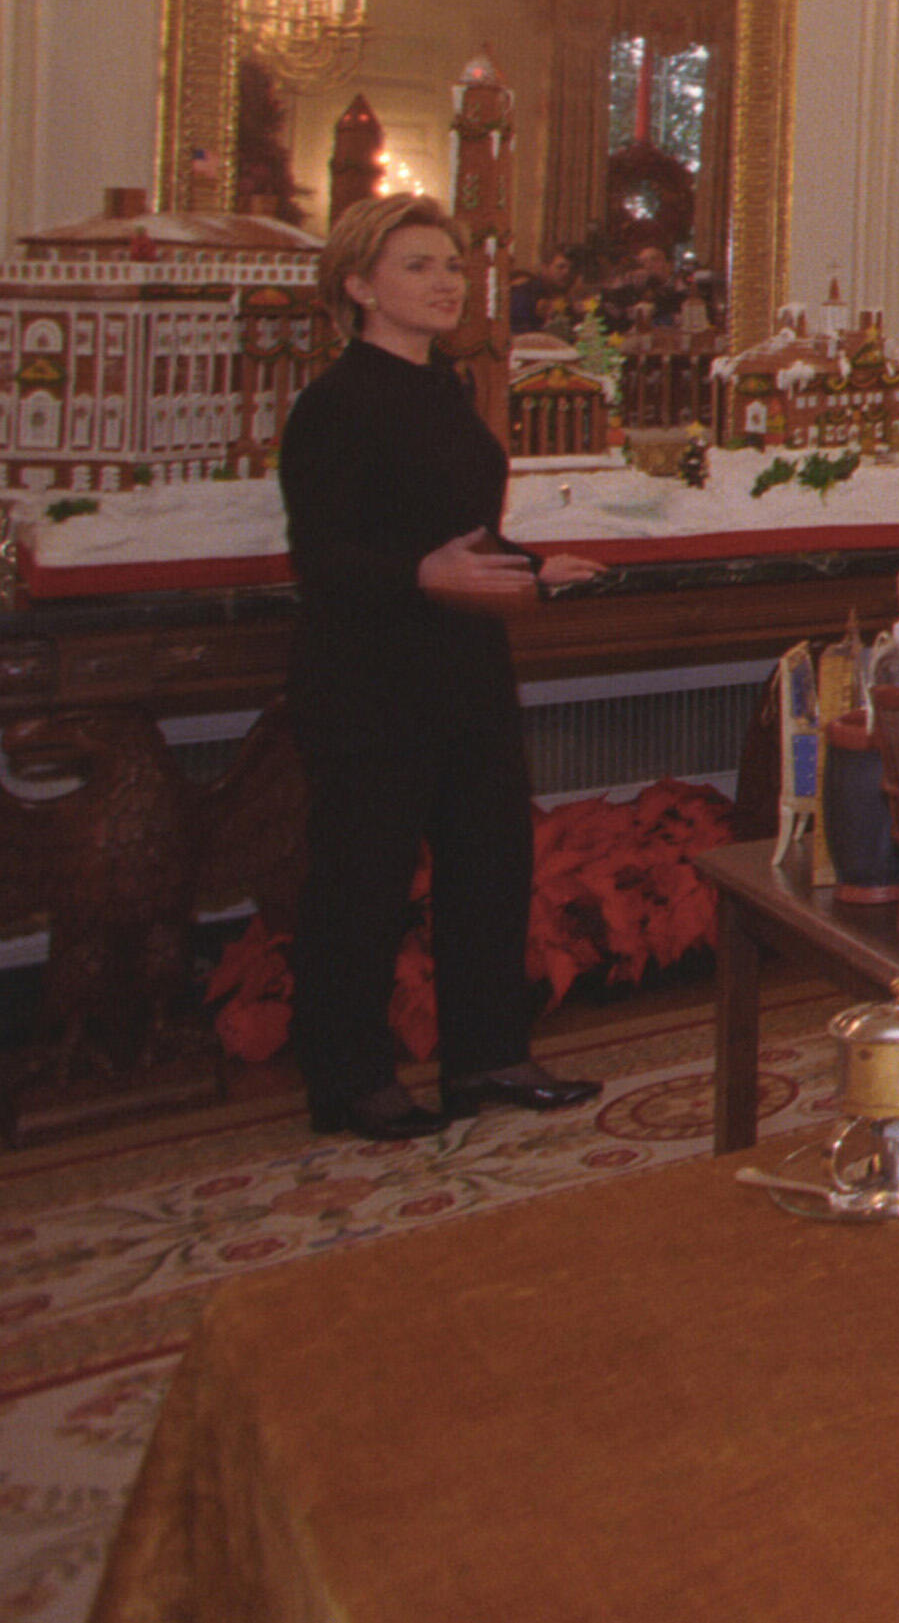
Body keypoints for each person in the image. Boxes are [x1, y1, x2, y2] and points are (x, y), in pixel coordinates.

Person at [279, 194, 607, 1143]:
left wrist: (532, 565)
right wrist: (422, 574)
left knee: (489, 864)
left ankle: (486, 1055)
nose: (446, 282)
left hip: (464, 664)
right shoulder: (334, 402)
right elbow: (324, 556)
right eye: (419, 265)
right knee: (362, 881)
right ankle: (349, 1079)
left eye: (453, 266)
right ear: (358, 284)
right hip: (369, 674)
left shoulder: (447, 390)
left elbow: (459, 532)